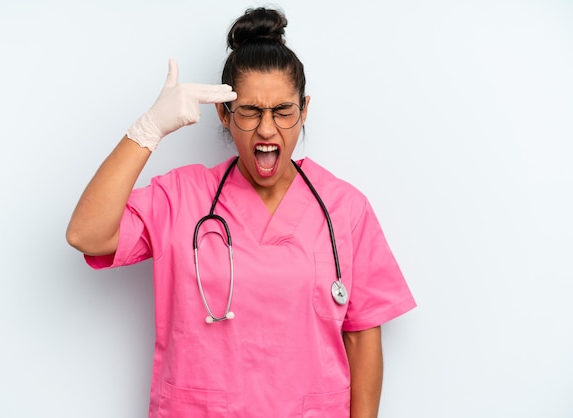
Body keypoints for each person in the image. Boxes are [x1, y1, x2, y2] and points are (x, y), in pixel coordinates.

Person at [67, 7, 416, 418]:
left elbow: (362, 338)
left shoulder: (344, 207)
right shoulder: (181, 197)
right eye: (249, 111)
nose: (267, 129)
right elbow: (86, 235)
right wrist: (148, 130)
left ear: (304, 110)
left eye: (283, 111)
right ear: (223, 113)